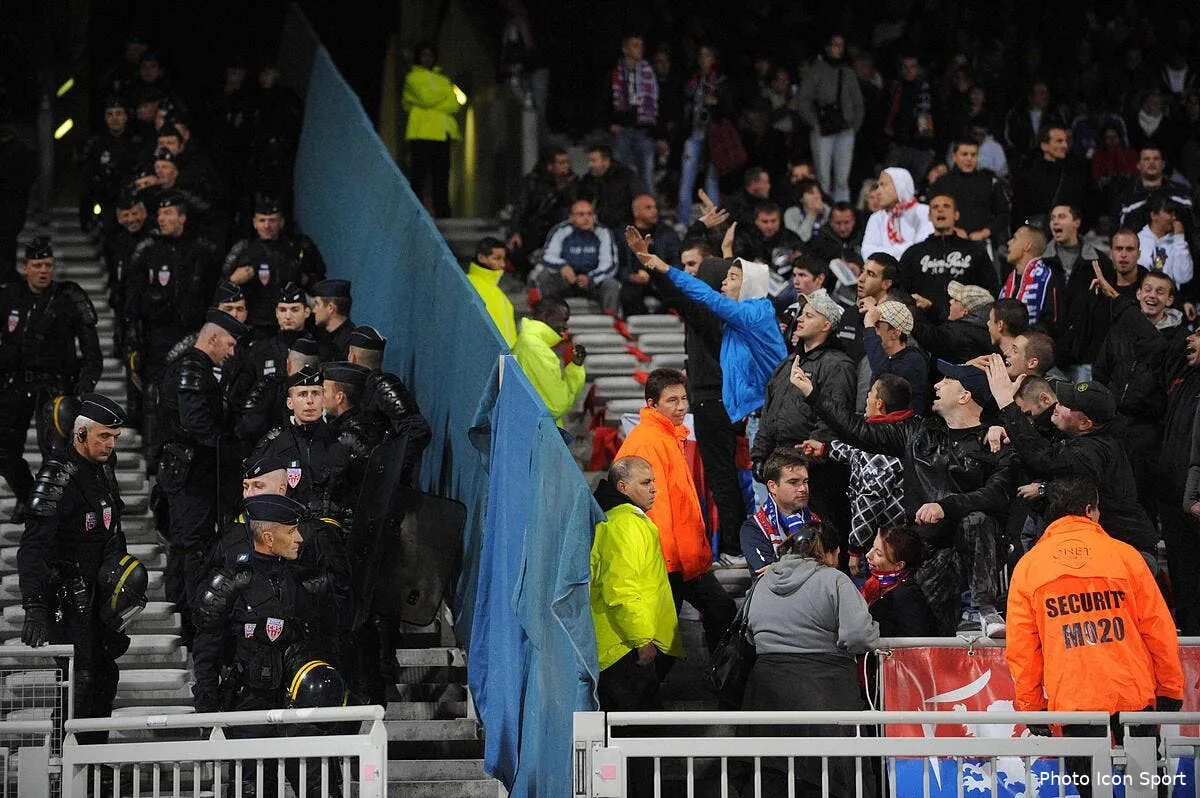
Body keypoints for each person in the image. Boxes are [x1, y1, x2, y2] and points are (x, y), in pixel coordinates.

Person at [791, 358, 1016, 637]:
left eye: (947, 381)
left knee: (977, 519)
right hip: (928, 548)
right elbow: (857, 431)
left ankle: (986, 609)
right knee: (931, 631)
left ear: (964, 396)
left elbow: (996, 493)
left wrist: (945, 507)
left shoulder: (996, 439)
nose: (937, 384)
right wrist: (812, 394)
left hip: (975, 544)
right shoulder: (917, 431)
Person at [1007, 476, 1183, 798]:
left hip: (1075, 701)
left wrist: (1032, 707)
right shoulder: (1126, 556)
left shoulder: (1028, 567)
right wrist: (1170, 688)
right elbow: (1158, 628)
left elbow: (1022, 649)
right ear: (1090, 510)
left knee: (1092, 791)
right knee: (1146, 789)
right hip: (1133, 696)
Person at [193, 493, 343, 797]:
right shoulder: (231, 583)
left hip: (300, 707)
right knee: (254, 789)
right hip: (249, 709)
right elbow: (206, 650)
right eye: (290, 531)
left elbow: (324, 636)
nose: (300, 538)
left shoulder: (301, 579)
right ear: (267, 537)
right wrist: (207, 712)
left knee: (320, 787)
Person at [18, 394, 143, 741]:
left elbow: (112, 526)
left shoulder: (105, 468)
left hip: (100, 598)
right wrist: (34, 606)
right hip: (68, 600)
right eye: (104, 436)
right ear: (81, 434)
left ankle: (94, 769)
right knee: (79, 684)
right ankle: (64, 767)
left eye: (115, 437)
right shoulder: (57, 476)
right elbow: (31, 548)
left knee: (105, 679)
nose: (111, 444)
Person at [741, 521, 878, 796]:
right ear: (831, 552)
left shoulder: (764, 581)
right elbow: (858, 637)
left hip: (765, 693)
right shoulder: (835, 580)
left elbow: (748, 633)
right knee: (828, 780)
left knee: (771, 778)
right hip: (825, 692)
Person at [983, 357, 1160, 563]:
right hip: (1109, 549)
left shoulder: (1094, 450)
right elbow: (1038, 437)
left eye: (1067, 404)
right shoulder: (1085, 434)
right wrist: (1006, 422)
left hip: (1127, 555)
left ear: (1085, 423)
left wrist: (1007, 405)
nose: (1058, 405)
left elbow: (1045, 458)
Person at [613, 369, 736, 657]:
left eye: (683, 399)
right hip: (670, 560)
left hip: (682, 559)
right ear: (652, 403)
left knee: (713, 616)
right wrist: (669, 564)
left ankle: (718, 679)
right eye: (672, 400)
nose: (681, 407)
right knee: (665, 637)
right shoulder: (648, 441)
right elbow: (654, 507)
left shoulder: (666, 436)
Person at [157, 308, 248, 645]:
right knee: (192, 547)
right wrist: (225, 447)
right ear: (212, 338)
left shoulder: (195, 367)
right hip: (192, 473)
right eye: (229, 344)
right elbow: (197, 424)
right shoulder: (193, 367)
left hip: (192, 472)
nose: (231, 351)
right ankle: (191, 619)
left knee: (188, 545)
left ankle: (183, 612)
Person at [645, 255, 744, 562]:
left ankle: (734, 547)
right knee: (727, 475)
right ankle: (735, 544)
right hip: (726, 398)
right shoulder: (737, 312)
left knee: (722, 476)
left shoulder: (707, 311)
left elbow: (675, 296)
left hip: (711, 400)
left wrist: (654, 267)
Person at [0, 238, 103, 521]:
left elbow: (92, 352)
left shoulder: (69, 298)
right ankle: (30, 496)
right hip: (14, 384)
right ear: (26, 268)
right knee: (4, 451)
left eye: (48, 265)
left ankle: (49, 511)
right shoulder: (9, 296)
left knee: (56, 456)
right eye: (37, 265)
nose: (43, 270)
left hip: (56, 385)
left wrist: (84, 389)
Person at [753, 289, 856, 530]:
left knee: (821, 537)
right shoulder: (787, 364)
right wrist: (760, 456)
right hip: (782, 465)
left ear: (826, 325)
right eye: (802, 314)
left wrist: (806, 460)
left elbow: (835, 418)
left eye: (809, 316)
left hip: (817, 473)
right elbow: (769, 414)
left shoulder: (838, 365)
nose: (799, 319)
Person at [590, 456, 682, 709]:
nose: (654, 488)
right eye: (645, 483)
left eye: (653, 481)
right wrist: (641, 640)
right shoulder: (625, 525)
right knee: (642, 734)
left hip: (620, 643)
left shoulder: (619, 520)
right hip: (623, 646)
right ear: (623, 487)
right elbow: (621, 589)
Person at [802, 374, 912, 575]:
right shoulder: (900, 429)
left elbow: (870, 501)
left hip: (885, 543)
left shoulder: (882, 445)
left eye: (870, 394)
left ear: (879, 403)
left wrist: (855, 549)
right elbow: (857, 451)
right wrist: (825, 449)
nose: (866, 398)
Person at [221, 194, 327, 338]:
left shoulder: (298, 247)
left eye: (272, 220)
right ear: (254, 223)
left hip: (293, 324)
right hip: (255, 324)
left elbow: (320, 277)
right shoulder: (243, 249)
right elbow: (220, 288)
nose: (267, 225)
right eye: (262, 220)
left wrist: (307, 280)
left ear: (281, 222)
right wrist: (233, 281)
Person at [900, 194, 997, 320]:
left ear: (956, 215)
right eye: (935, 207)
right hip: (925, 327)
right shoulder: (913, 253)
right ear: (929, 216)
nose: (940, 210)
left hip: (965, 326)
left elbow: (992, 291)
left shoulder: (975, 251)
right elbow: (901, 292)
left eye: (946, 206)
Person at [797, 33, 863, 203]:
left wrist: (855, 124)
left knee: (842, 178)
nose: (837, 49)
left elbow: (858, 101)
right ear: (826, 47)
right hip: (823, 129)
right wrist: (814, 123)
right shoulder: (815, 71)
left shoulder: (848, 72)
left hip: (846, 129)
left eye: (840, 45)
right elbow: (803, 100)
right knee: (823, 178)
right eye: (834, 45)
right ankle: (824, 211)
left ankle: (843, 211)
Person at [402, 42, 461, 218]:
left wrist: (438, 100)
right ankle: (414, 214)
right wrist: (443, 97)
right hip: (421, 134)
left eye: (430, 55)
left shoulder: (443, 79)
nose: (427, 58)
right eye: (424, 55)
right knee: (419, 176)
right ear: (418, 57)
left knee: (441, 178)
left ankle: (443, 213)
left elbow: (454, 104)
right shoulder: (412, 78)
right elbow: (427, 98)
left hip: (442, 135)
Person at [739, 447, 820, 573]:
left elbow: (830, 566)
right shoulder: (753, 528)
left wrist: (779, 568)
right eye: (793, 482)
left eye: (805, 481)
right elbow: (767, 579)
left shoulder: (816, 520)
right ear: (772, 486)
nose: (803, 489)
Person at [537, 199, 621, 315]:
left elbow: (609, 265)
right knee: (544, 276)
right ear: (571, 217)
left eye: (589, 214)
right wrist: (562, 266)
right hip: (566, 279)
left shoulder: (603, 232)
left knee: (611, 284)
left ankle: (612, 322)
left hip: (591, 282)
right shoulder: (561, 230)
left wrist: (590, 278)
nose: (586, 218)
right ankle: (549, 319)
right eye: (581, 214)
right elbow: (547, 256)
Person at [512, 297, 587, 428]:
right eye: (563, 319)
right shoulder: (536, 348)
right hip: (538, 435)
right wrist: (575, 370)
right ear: (546, 317)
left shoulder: (530, 342)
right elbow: (556, 406)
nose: (566, 326)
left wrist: (576, 366)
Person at [507, 147, 578, 277]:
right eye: (561, 163)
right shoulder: (532, 181)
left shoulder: (573, 182)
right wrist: (515, 231)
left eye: (567, 162)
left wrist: (565, 189)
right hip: (534, 227)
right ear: (550, 166)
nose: (565, 166)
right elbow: (521, 208)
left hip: (560, 227)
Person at [862, 525, 936, 637]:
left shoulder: (907, 594)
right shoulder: (874, 584)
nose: (868, 555)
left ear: (899, 565)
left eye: (878, 553)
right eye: (872, 547)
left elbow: (915, 640)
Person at [935, 138, 1010, 250]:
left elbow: (1004, 214)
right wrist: (953, 230)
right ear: (954, 157)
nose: (969, 159)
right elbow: (932, 212)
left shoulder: (989, 182)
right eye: (964, 154)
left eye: (973, 155)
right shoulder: (942, 183)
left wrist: (985, 232)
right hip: (949, 243)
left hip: (984, 244)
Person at [609, 33, 659, 193]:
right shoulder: (615, 71)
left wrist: (657, 132)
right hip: (622, 131)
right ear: (625, 49)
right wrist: (609, 123)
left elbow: (657, 102)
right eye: (635, 45)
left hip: (643, 131)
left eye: (641, 45)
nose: (639, 49)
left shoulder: (648, 72)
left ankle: (651, 214)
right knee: (619, 175)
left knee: (647, 177)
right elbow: (605, 99)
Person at [1010, 126, 1086, 227]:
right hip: (1035, 234)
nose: (1065, 145)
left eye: (1066, 141)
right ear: (1044, 146)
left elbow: (1080, 206)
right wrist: (1033, 224)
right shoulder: (1028, 174)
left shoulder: (1072, 172)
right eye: (1059, 141)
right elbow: (1019, 215)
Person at [862, 300, 928, 413]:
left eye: (876, 326)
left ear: (895, 333)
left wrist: (869, 325)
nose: (872, 331)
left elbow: (884, 375)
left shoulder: (914, 360)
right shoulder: (885, 358)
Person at [910, 282, 994, 365]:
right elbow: (947, 323)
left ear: (965, 311)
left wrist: (905, 319)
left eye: (956, 301)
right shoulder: (983, 327)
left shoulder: (959, 333)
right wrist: (930, 307)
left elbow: (934, 336)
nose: (950, 301)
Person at [860, 167, 933, 260]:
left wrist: (885, 255)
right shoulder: (876, 217)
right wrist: (904, 249)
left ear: (900, 185)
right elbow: (867, 253)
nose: (878, 191)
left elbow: (921, 250)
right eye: (878, 185)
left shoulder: (924, 212)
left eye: (883, 185)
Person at [998, 225, 1059, 327]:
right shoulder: (1010, 278)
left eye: (1015, 238)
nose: (1009, 242)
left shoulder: (1047, 277)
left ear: (1027, 246)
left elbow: (1051, 322)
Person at [467, 237, 517, 347]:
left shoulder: (497, 291)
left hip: (503, 358)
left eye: (503, 259)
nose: (502, 264)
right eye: (497, 258)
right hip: (486, 356)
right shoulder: (469, 284)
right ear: (481, 258)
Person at [1137, 196, 1194, 289]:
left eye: (1174, 214)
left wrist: (1179, 238)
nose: (1174, 217)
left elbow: (1183, 278)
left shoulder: (1179, 243)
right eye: (1169, 212)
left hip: (1170, 299)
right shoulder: (1138, 240)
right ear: (1154, 215)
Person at [578, 144, 639, 231]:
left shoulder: (626, 176)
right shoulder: (588, 179)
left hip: (622, 225)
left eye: (593, 161)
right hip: (593, 224)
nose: (590, 165)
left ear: (606, 160)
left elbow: (634, 202)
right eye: (589, 161)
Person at [311, 279, 354, 363]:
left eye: (317, 304)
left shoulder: (350, 344)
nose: (314, 310)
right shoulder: (319, 336)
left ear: (330, 307)